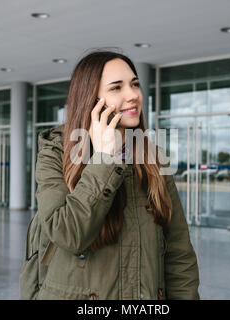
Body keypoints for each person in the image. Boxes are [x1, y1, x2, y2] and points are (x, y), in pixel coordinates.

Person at [29, 49, 199, 300]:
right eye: (116, 88)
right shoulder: (56, 151)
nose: (133, 95)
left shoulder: (153, 159)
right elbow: (67, 234)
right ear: (91, 100)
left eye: (135, 84)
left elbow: (179, 254)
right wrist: (104, 159)